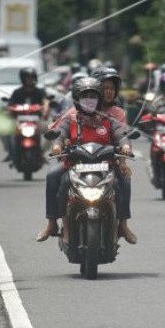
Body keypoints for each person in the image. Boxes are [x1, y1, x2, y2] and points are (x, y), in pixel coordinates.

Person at [37, 77, 137, 244]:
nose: (89, 101)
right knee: (57, 180)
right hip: (75, 165)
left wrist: (125, 146)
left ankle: (121, 226)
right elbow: (60, 134)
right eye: (85, 97)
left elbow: (121, 135)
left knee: (121, 184)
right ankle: (56, 225)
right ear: (77, 100)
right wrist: (57, 146)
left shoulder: (109, 119)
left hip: (106, 166)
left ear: (99, 100)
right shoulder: (71, 118)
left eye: (93, 97)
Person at [3, 67, 50, 162]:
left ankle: (42, 152)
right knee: (3, 130)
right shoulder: (17, 92)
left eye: (32, 77)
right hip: (19, 122)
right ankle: (10, 151)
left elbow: (45, 102)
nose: (30, 80)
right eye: (27, 78)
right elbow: (10, 106)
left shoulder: (40, 92)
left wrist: (45, 111)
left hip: (37, 122)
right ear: (22, 79)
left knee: (53, 131)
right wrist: (8, 112)